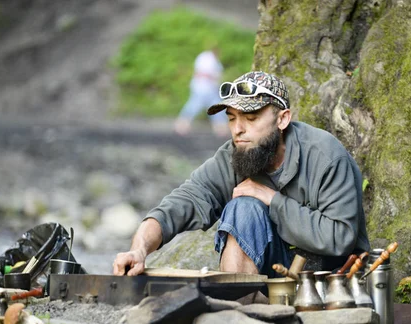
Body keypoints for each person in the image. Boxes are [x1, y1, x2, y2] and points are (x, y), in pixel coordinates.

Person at [113, 71, 370, 277]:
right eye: (232, 118)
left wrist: (271, 199)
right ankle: (236, 311)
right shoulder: (234, 155)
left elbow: (340, 238)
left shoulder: (326, 156)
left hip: (329, 277)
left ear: (282, 120)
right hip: (272, 272)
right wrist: (139, 249)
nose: (238, 129)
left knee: (246, 204)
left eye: (251, 117)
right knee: (243, 208)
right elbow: (181, 203)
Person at [173, 48, 229, 137]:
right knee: (194, 106)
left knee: (216, 108)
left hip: (210, 89)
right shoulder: (205, 58)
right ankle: (182, 124)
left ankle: (220, 127)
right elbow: (202, 73)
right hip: (202, 88)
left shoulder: (212, 60)